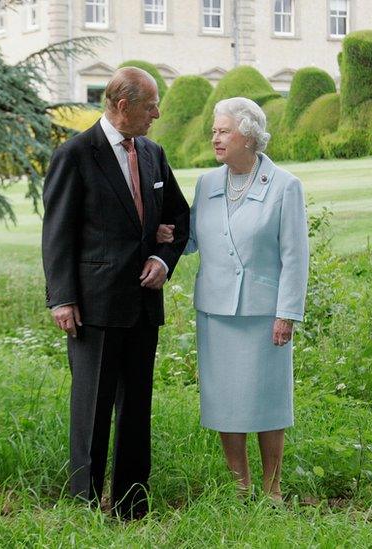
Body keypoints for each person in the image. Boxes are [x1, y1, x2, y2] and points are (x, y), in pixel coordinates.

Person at [41, 67, 190, 519]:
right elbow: (57, 233)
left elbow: (178, 220)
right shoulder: (75, 154)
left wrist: (162, 258)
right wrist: (62, 298)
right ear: (123, 106)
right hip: (94, 307)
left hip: (143, 306)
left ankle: (131, 506)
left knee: (136, 409)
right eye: (150, 106)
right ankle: (83, 506)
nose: (158, 114)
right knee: (92, 411)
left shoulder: (152, 152)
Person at [157, 97, 308, 502]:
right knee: (225, 400)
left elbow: (295, 256)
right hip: (216, 311)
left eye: (223, 131)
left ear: (249, 136)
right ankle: (239, 487)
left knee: (268, 401)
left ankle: (272, 488)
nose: (216, 138)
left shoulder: (285, 186)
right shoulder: (207, 183)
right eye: (214, 131)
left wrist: (287, 314)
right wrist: (168, 237)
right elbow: (194, 239)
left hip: (264, 313)